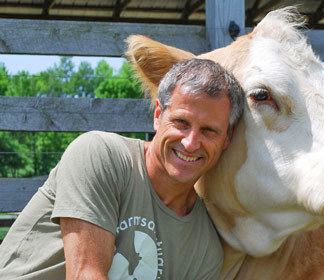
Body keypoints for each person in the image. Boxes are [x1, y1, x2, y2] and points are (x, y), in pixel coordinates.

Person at [0, 58, 245, 279]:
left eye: (208, 131)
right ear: (158, 114)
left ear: (227, 139)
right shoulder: (100, 155)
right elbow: (85, 275)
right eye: (181, 122)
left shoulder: (205, 250)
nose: (190, 143)